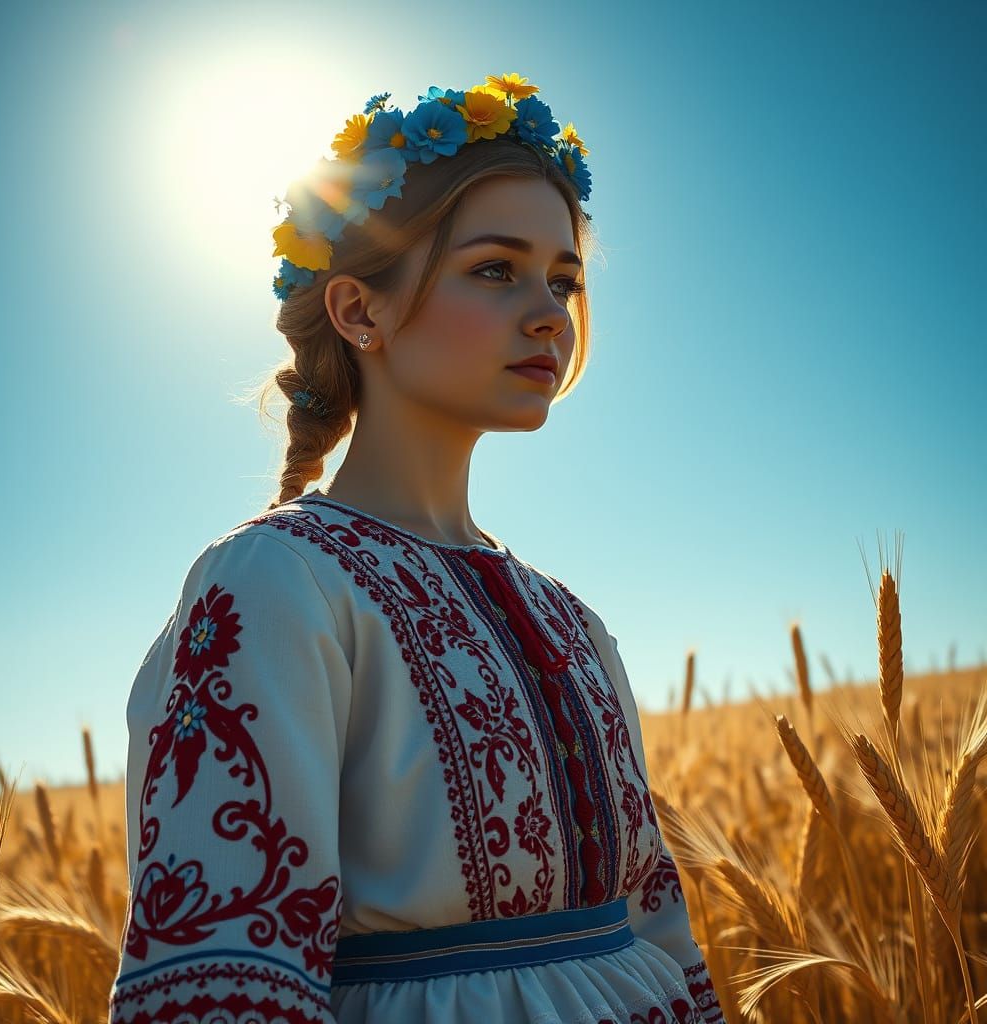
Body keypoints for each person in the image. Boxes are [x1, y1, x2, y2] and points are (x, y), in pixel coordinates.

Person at [108, 73, 725, 1024]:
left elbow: (658, 929)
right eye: (495, 269)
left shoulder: (574, 619)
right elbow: (221, 977)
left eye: (563, 280)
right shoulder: (278, 582)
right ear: (361, 312)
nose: (550, 313)